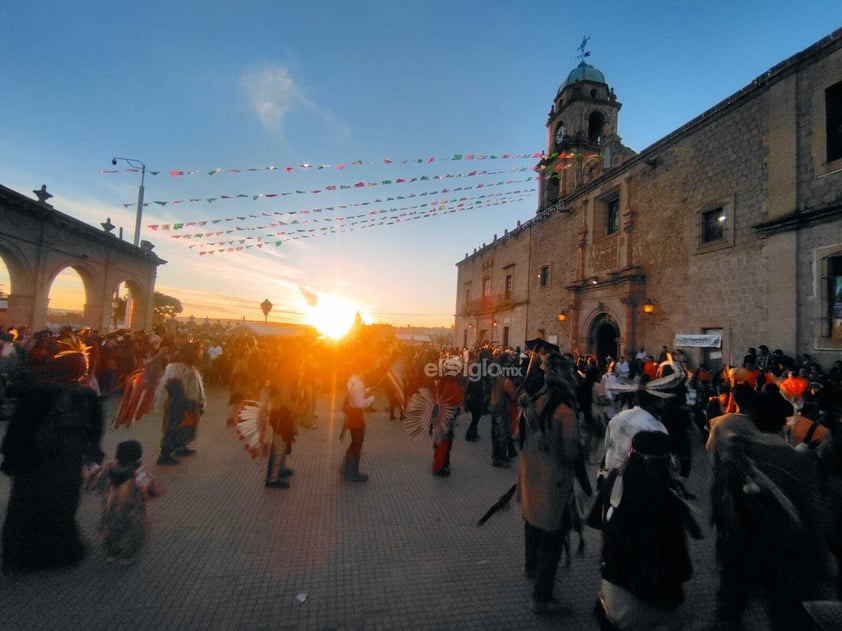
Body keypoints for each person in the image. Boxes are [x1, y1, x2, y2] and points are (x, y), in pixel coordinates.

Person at [706, 383, 830, 630]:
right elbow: (813, 512)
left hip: (739, 548)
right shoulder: (796, 461)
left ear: (752, 419)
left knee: (729, 614)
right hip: (784, 553)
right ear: (782, 423)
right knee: (786, 615)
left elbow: (720, 504)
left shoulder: (737, 453)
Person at [1, 344, 105, 573]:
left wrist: (11, 458)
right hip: (66, 463)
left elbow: (18, 429)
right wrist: (92, 456)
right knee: (61, 507)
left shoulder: (36, 391)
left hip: (33, 463)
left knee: (25, 508)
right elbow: (95, 431)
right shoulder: (85, 396)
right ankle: (58, 554)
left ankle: (20, 557)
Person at [589, 430, 701, 631]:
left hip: (613, 592)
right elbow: (682, 567)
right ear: (667, 461)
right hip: (651, 598)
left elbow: (596, 520)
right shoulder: (667, 501)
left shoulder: (615, 482)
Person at [516, 351, 583, 616]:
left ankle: (530, 566)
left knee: (532, 522)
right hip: (553, 484)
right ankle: (541, 598)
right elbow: (571, 453)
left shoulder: (534, 403)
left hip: (531, 476)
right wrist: (584, 446)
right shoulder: (565, 413)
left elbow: (517, 436)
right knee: (553, 541)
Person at [85, 440, 162, 564]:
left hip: (111, 508)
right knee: (131, 532)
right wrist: (156, 491)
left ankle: (111, 553)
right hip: (132, 511)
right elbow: (149, 491)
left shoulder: (108, 469)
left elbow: (97, 482)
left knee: (111, 529)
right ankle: (127, 555)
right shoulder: (139, 473)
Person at [154, 342, 206, 465]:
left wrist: (198, 404)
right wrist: (186, 406)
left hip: (187, 404)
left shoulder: (189, 368)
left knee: (186, 428)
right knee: (174, 427)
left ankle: (180, 447)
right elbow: (174, 388)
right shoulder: (176, 368)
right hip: (177, 405)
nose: (200, 354)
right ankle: (164, 455)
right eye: (198, 352)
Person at [340, 370, 375, 482]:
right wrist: (371, 398)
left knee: (355, 443)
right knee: (357, 444)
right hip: (356, 415)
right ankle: (353, 472)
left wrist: (369, 390)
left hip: (353, 415)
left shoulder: (353, 381)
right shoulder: (359, 383)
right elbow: (360, 404)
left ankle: (347, 468)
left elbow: (357, 395)